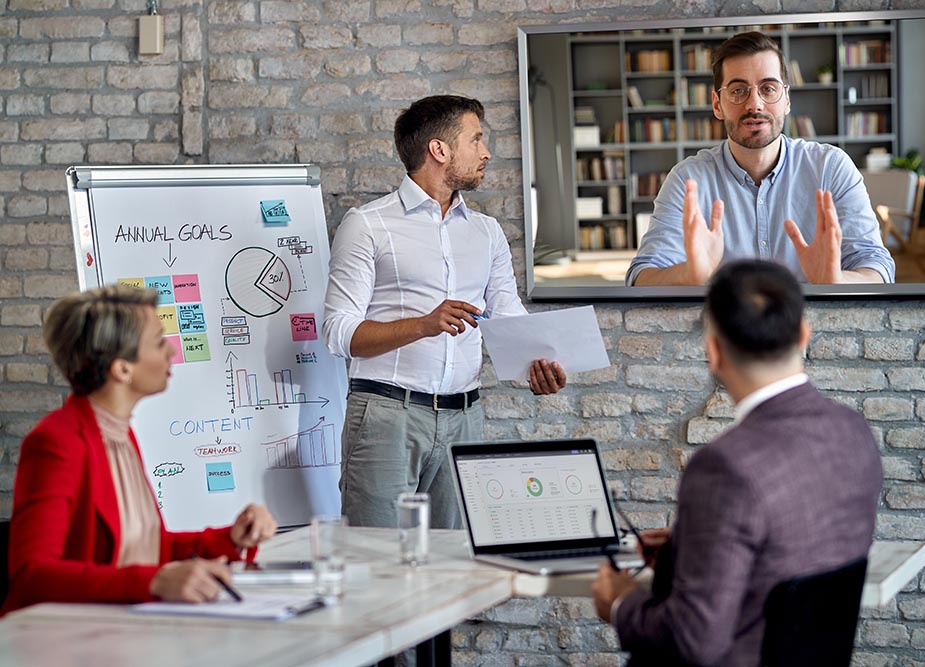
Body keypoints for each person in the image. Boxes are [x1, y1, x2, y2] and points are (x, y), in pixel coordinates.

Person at [593, 259, 883, 666]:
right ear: (803, 335)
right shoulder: (853, 431)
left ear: (712, 352)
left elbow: (694, 640)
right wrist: (686, 551)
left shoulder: (724, 468)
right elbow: (796, 553)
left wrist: (621, 604)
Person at [323, 95, 566, 530]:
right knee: (377, 561)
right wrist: (423, 324)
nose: (486, 152)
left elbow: (506, 311)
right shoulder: (367, 225)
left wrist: (538, 363)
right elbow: (339, 332)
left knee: (456, 564)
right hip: (386, 418)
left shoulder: (486, 231)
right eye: (476, 139)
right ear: (440, 150)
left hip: (465, 419)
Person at [2, 285, 277, 616]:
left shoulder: (119, 433)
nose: (171, 352)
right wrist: (154, 582)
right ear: (122, 369)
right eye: (160, 341)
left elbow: (142, 550)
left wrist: (229, 539)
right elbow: (33, 575)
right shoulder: (57, 442)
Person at [626, 31, 895, 286]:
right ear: (717, 104)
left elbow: (877, 267)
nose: (754, 104)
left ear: (786, 100)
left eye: (768, 89)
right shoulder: (687, 180)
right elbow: (641, 277)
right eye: (738, 90)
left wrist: (836, 280)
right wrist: (688, 275)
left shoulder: (831, 168)